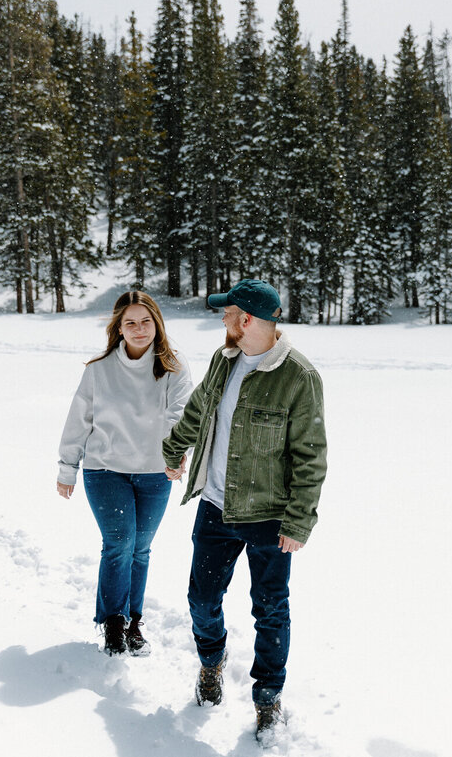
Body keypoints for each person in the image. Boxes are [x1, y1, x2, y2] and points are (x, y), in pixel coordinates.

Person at [162, 279, 328, 746]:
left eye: (228, 312)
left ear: (248, 320)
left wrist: (298, 521)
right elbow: (198, 410)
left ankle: (268, 697)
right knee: (201, 598)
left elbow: (310, 456)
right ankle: (211, 661)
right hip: (216, 506)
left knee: (270, 610)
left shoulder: (299, 377)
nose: (222, 320)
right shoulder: (224, 360)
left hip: (270, 517)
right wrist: (174, 448)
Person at [57, 291, 192, 656]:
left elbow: (178, 416)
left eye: (145, 321)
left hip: (154, 473)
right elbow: (78, 420)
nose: (138, 329)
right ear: (118, 327)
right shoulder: (98, 370)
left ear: (157, 324)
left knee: (141, 549)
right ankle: (113, 623)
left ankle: (134, 622)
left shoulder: (173, 369)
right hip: (105, 470)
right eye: (130, 322)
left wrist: (175, 455)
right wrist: (67, 467)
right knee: (119, 543)